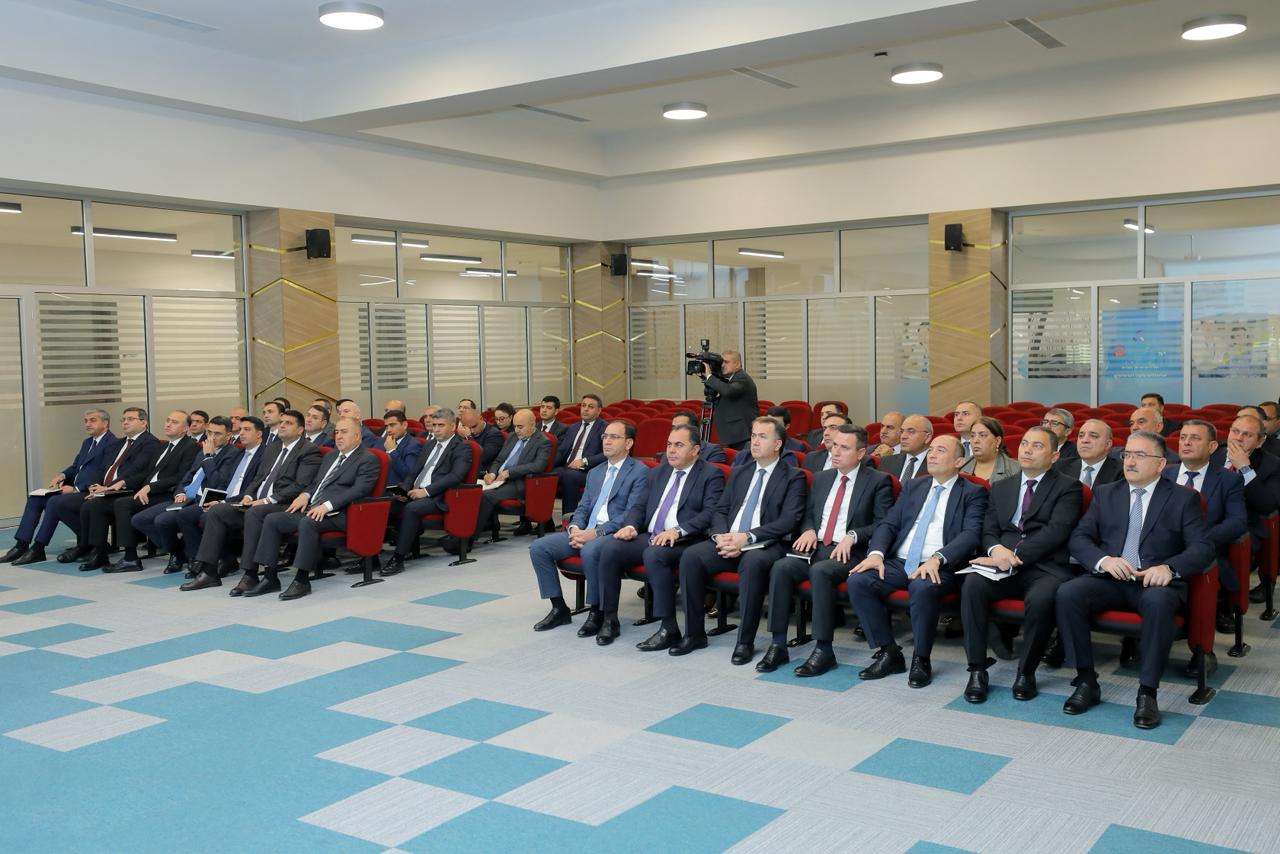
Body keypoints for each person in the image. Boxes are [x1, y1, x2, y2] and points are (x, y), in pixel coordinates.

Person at [1060, 430, 1213, 729]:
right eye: (1127, 454)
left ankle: (1147, 692)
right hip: (1112, 578)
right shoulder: (1107, 493)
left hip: (1154, 582)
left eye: (1140, 455)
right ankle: (1086, 680)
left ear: (1160, 464)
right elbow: (1079, 538)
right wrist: (1104, 560)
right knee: (1068, 593)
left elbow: (1203, 548)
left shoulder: (1183, 498)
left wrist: (1169, 567)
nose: (1130, 461)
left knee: (1158, 602)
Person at [847, 434, 988, 687]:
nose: (932, 454)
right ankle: (889, 651)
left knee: (922, 587)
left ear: (959, 461)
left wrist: (938, 558)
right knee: (858, 580)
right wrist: (876, 554)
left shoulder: (973, 492)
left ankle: (921, 658)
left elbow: (971, 535)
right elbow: (889, 524)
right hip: (900, 561)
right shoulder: (914, 486)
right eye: (931, 449)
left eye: (941, 450)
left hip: (941, 566)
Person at [959, 426, 1083, 703]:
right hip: (1000, 561)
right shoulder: (1002, 486)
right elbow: (989, 530)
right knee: (972, 585)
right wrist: (996, 550)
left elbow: (1056, 532)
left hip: (1044, 566)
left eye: (1037, 446)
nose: (1027, 449)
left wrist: (1012, 555)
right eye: (1025, 443)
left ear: (1054, 456)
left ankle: (1026, 672)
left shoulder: (1068, 487)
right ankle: (977, 669)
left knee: (1041, 599)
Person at [758, 425, 894, 677]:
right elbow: (808, 514)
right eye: (834, 445)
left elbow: (883, 523)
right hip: (817, 546)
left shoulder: (878, 481)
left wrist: (853, 535)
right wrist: (809, 529)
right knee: (781, 567)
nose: (835, 452)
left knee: (821, 572)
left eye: (844, 447)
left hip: (850, 552)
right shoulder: (821, 478)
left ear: (861, 452)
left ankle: (823, 649)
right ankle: (778, 644)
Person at [670, 416, 806, 663]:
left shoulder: (793, 476)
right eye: (753, 436)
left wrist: (747, 537)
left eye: (762, 437)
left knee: (752, 563)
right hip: (729, 538)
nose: (755, 441)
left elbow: (788, 521)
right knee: (691, 557)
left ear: (777, 444)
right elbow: (720, 510)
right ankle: (694, 634)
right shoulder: (740, 472)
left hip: (766, 543)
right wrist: (721, 536)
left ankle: (745, 641)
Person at [596, 424, 726, 652]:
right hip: (652, 534)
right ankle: (609, 619)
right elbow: (639, 506)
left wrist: (678, 530)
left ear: (695, 450)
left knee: (654, 555)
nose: (671, 450)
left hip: (686, 539)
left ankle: (668, 627)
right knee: (610, 548)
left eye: (679, 445)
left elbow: (710, 513)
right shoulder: (658, 472)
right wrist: (631, 526)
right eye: (669, 444)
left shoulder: (710, 474)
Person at [528, 421, 647, 644]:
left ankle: (597, 611)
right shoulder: (595, 472)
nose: (607, 441)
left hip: (612, 534)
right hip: (585, 531)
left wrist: (596, 533)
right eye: (605, 436)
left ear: (628, 443)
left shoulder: (639, 472)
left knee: (591, 550)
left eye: (614, 437)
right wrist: (575, 528)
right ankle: (559, 608)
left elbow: (631, 514)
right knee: (539, 547)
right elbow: (583, 507)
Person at [248, 417, 381, 601]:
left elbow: (360, 490)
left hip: (343, 513)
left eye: (344, 432)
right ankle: (270, 577)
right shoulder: (331, 456)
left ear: (357, 436)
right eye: (337, 432)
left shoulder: (368, 459)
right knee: (273, 519)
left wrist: (327, 505)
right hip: (313, 508)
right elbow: (316, 483)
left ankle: (302, 580)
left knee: (308, 522)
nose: (338, 436)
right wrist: (306, 494)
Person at [196, 410, 322, 594]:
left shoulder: (308, 450)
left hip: (283, 504)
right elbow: (258, 478)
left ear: (300, 429)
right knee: (218, 511)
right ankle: (209, 572)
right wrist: (248, 496)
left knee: (254, 513)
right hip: (256, 503)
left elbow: (300, 485)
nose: (282, 425)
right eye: (281, 422)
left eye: (288, 423)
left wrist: (267, 500)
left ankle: (250, 574)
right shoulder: (273, 447)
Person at [84, 411, 197, 572]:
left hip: (166, 494)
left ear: (186, 428)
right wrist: (123, 482)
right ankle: (99, 552)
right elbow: (146, 472)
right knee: (97, 504)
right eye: (167, 420)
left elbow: (181, 476)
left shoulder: (190, 446)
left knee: (123, 504)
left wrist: (150, 487)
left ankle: (131, 558)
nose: (168, 424)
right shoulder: (164, 446)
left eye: (174, 422)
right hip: (148, 492)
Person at [4, 408, 118, 565]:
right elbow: (76, 466)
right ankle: (21, 545)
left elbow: (105, 473)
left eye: (93, 420)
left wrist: (76, 489)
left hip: (90, 492)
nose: (87, 424)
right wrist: (62, 475)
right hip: (75, 489)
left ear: (105, 423)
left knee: (54, 502)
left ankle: (38, 548)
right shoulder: (88, 442)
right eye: (86, 421)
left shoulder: (113, 443)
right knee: (35, 498)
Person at [131, 416, 241, 575]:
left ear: (229, 435)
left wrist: (209, 457)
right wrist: (180, 492)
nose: (211, 438)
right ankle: (178, 552)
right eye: (209, 433)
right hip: (186, 498)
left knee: (164, 521)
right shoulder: (202, 451)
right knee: (139, 519)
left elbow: (218, 483)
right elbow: (187, 476)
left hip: (205, 500)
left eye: (217, 434)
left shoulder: (232, 453)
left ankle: (195, 557)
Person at [1164, 419, 1246, 632]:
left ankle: (1211, 612)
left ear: (1212, 446)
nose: (1186, 442)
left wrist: (1200, 539)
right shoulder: (1162, 474)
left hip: (1206, 548)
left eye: (1195, 438)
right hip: (1160, 547)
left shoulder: (1228, 480)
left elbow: (1237, 522)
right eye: (1183, 437)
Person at [49, 408, 158, 565]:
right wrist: (95, 485)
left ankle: (97, 551)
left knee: (93, 505)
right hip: (106, 489)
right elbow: (103, 468)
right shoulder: (120, 443)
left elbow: (136, 470)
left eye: (130, 419)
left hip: (127, 490)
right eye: (123, 419)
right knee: (82, 504)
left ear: (143, 422)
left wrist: (108, 487)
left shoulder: (150, 443)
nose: (125, 422)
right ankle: (91, 548)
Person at [171, 416, 267, 585]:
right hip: (223, 499)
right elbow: (221, 483)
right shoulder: (240, 454)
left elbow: (253, 488)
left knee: (209, 515)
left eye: (247, 430)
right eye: (241, 429)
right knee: (186, 515)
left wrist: (222, 502)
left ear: (259, 434)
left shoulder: (264, 454)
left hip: (244, 503)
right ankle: (207, 561)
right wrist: (217, 500)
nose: (241, 433)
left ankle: (210, 569)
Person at [383, 408, 474, 576]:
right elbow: (414, 472)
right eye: (434, 425)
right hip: (416, 491)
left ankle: (398, 558)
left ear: (453, 426)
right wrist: (404, 489)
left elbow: (455, 476)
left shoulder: (462, 448)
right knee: (386, 504)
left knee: (411, 509)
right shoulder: (430, 444)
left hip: (440, 496)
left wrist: (426, 491)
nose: (436, 429)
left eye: (441, 425)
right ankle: (370, 557)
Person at [1213, 414, 1280, 606]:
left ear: (1260, 442)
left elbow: (1268, 505)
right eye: (1235, 431)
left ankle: (1226, 605)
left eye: (1247, 435)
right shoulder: (1213, 455)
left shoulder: (1272, 465)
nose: (1239, 438)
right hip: (1207, 521)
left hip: (1246, 526)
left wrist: (1244, 468)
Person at [475, 409, 553, 536]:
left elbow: (538, 466)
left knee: (486, 496)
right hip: (498, 480)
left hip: (519, 482)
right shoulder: (512, 437)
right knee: (472, 491)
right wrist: (492, 474)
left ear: (532, 425)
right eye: (515, 426)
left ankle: (469, 537)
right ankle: (464, 531)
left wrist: (509, 472)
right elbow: (499, 460)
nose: (516, 430)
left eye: (520, 427)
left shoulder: (543, 442)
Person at [552, 395, 607, 515]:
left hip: (588, 470)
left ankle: (569, 519)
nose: (585, 409)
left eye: (590, 407)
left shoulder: (605, 428)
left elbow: (606, 454)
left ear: (599, 411)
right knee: (542, 475)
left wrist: (584, 461)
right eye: (583, 405)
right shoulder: (573, 427)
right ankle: (544, 520)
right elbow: (561, 451)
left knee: (570, 476)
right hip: (567, 467)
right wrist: (547, 465)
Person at [702, 349, 758, 451]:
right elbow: (725, 400)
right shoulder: (732, 379)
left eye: (726, 362)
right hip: (735, 433)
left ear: (737, 364)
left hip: (741, 435)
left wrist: (710, 377)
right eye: (722, 362)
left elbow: (728, 391)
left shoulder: (742, 378)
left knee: (740, 458)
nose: (723, 365)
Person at [1053, 418, 1123, 487]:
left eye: (1093, 436)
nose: (1084, 440)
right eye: (1081, 436)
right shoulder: (1060, 467)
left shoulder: (1121, 472)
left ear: (1108, 444)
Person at [960, 416, 1018, 484]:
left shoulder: (1015, 470)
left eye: (982, 435)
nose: (975, 441)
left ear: (997, 441)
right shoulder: (961, 466)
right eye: (972, 436)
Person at [879, 414, 932, 481]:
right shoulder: (886, 461)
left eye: (911, 432)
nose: (903, 437)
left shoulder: (936, 463)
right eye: (902, 432)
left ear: (927, 437)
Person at [456, 398, 504, 469]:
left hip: (482, 471)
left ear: (481, 418)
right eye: (460, 407)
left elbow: (483, 458)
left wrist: (469, 437)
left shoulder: (494, 434)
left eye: (465, 408)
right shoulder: (461, 431)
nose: (471, 430)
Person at [381, 410, 422, 484]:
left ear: (404, 425)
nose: (388, 430)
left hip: (396, 488)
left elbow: (408, 476)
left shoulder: (413, 445)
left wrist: (392, 451)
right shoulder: (384, 441)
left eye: (392, 425)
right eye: (386, 426)